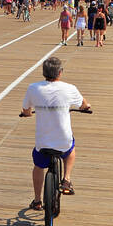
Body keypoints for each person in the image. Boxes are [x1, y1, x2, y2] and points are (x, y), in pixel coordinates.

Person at [19, 56, 91, 209]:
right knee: (70, 148)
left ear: (44, 73)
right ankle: (66, 179)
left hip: (43, 142)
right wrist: (86, 106)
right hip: (63, 140)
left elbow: (26, 110)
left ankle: (37, 200)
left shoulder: (33, 88)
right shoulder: (70, 88)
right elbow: (83, 104)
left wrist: (27, 114)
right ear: (60, 72)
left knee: (38, 166)